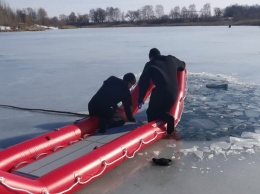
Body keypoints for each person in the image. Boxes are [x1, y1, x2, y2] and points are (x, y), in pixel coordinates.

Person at [138, 48, 186, 134]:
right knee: (162, 109)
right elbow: (183, 65)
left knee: (151, 113)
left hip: (160, 93)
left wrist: (140, 99)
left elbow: (143, 84)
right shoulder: (171, 59)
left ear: (150, 57)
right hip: (174, 92)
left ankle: (163, 122)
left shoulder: (150, 64)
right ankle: (170, 132)